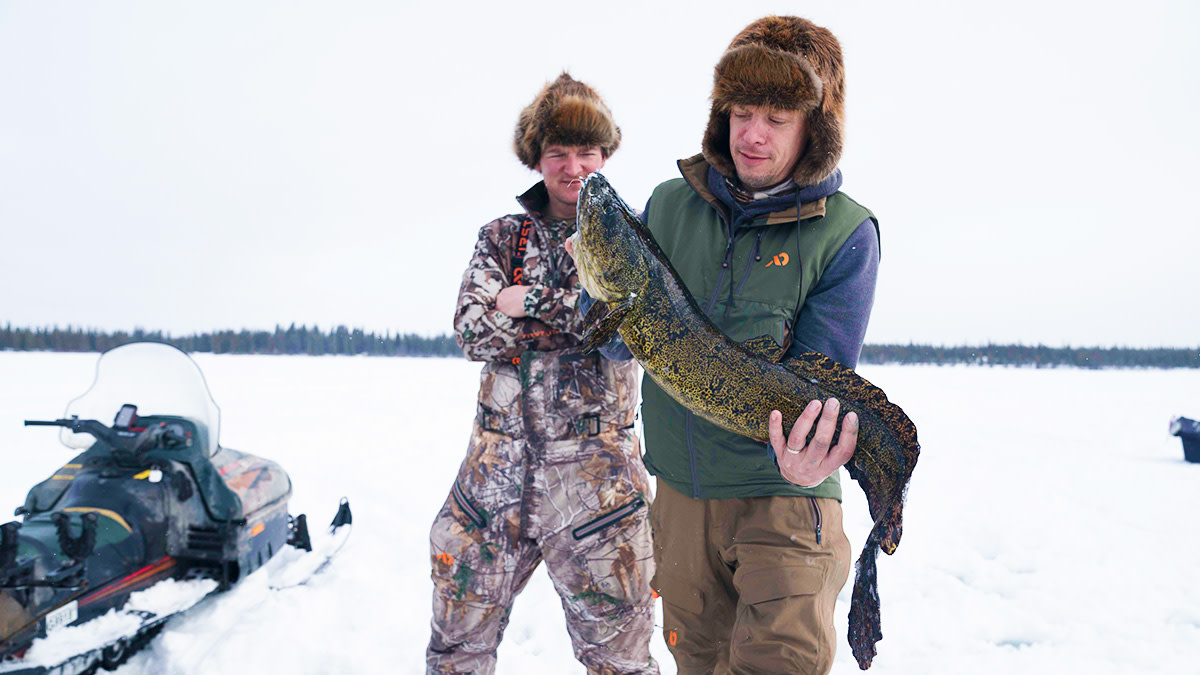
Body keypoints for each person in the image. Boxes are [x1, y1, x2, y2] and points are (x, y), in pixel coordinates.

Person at [571, 15, 880, 674]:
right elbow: (612, 348)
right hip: (680, 505)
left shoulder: (847, 235)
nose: (753, 133)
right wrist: (591, 284)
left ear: (814, 127)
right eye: (741, 111)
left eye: (776, 115)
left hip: (785, 503)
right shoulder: (667, 204)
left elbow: (817, 388)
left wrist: (812, 458)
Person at [427, 73, 658, 675]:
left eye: (587, 151)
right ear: (537, 158)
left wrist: (526, 299)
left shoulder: (634, 238)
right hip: (491, 480)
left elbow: (622, 330)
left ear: (606, 155)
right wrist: (575, 309)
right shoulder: (502, 236)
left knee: (622, 662)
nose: (573, 166)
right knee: (456, 653)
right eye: (558, 152)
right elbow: (472, 330)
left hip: (597, 481)